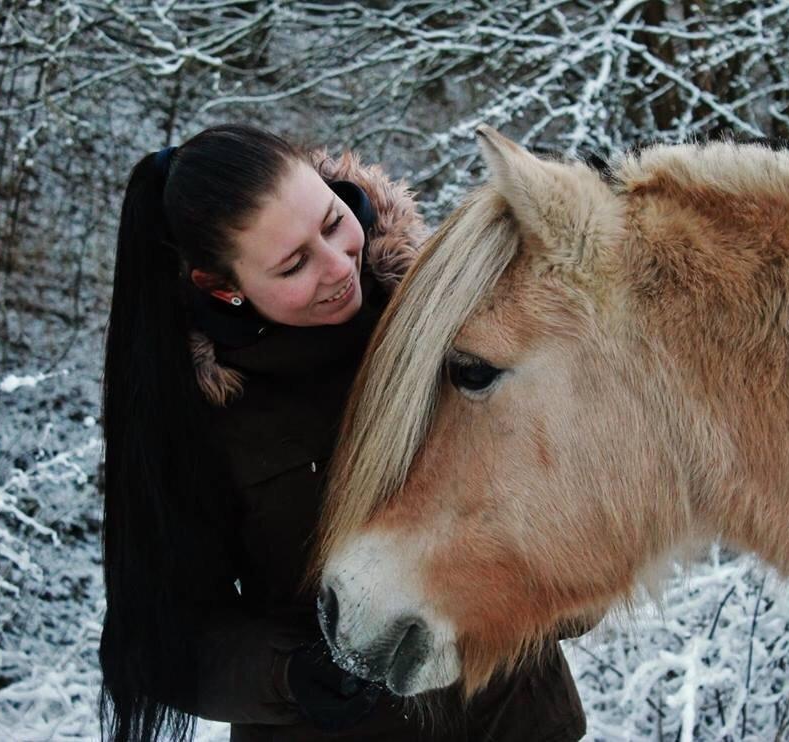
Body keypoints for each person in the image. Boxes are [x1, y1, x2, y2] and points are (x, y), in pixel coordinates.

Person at [99, 123, 587, 742]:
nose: (337, 267)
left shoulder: (456, 313)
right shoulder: (194, 418)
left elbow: (576, 500)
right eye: (294, 263)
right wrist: (288, 675)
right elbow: (167, 638)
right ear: (222, 287)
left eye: (332, 222)